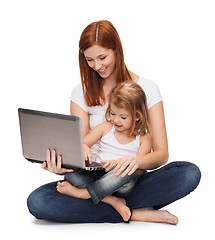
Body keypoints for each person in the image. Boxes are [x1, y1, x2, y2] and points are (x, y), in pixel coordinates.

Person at [27, 20, 201, 224]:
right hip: (92, 177)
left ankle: (102, 202)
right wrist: (61, 164)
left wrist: (136, 161)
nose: (97, 66)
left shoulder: (148, 89)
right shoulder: (80, 93)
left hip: (130, 177)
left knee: (188, 173)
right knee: (37, 201)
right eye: (89, 60)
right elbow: (81, 148)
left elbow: (162, 154)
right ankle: (133, 211)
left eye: (102, 57)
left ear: (117, 50)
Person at [56, 81, 152, 222]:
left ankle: (82, 194)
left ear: (137, 116)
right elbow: (80, 145)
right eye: (112, 113)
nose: (116, 120)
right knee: (71, 176)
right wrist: (85, 148)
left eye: (123, 117)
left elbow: (139, 170)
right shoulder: (105, 128)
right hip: (98, 175)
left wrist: (119, 165)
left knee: (127, 171)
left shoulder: (144, 138)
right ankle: (112, 201)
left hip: (121, 182)